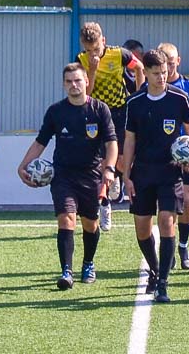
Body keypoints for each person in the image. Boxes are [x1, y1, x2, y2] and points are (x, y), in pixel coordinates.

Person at [17, 63, 118, 290]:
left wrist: (109, 168)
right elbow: (41, 141)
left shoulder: (100, 110)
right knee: (66, 219)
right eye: (69, 81)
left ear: (86, 82)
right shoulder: (56, 111)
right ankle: (66, 271)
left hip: (92, 176)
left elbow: (112, 143)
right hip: (62, 175)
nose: (74, 85)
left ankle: (88, 263)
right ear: (64, 85)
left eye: (78, 80)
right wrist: (23, 165)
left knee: (90, 224)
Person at [124, 49, 189, 303]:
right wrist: (126, 174)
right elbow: (129, 141)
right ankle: (154, 270)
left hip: (170, 171)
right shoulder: (135, 103)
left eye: (164, 72)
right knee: (142, 229)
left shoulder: (179, 98)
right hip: (142, 172)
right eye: (156, 73)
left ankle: (163, 282)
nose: (162, 77)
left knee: (166, 221)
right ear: (146, 72)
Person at [76, 22, 144, 231]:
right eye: (89, 50)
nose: (93, 54)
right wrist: (93, 70)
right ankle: (104, 204)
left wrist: (138, 96)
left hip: (120, 111)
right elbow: (86, 92)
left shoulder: (119, 55)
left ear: (103, 41)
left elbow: (140, 68)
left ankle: (124, 186)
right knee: (99, 162)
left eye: (96, 49)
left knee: (123, 161)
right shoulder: (81, 60)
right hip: (96, 113)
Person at [156, 42, 189, 270]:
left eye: (171, 62)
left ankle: (183, 245)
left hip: (186, 154)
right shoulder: (153, 88)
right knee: (167, 205)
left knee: (186, 200)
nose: (167, 67)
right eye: (163, 62)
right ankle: (169, 245)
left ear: (178, 61)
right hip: (160, 155)